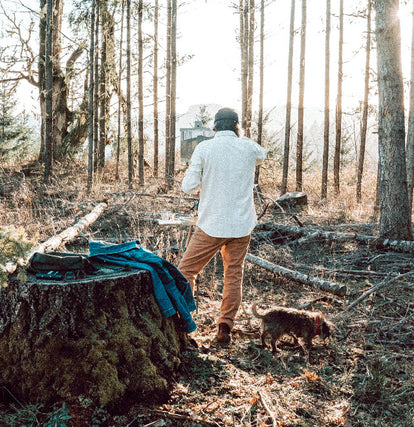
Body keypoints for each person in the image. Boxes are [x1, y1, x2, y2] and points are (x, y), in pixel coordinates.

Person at [178, 107, 267, 344]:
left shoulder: (204, 148)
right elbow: (262, 153)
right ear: (237, 126)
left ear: (215, 127)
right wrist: (242, 136)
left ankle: (184, 321)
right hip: (241, 225)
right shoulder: (249, 147)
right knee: (233, 275)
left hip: (211, 224)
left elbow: (188, 187)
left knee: (186, 271)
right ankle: (225, 327)